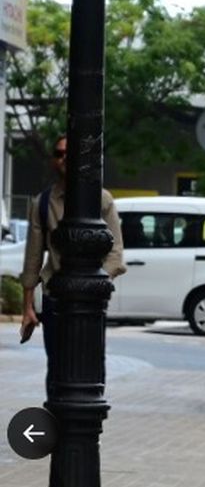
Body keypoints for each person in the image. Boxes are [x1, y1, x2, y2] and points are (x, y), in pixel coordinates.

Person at [19, 136, 127, 370]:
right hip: (55, 297)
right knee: (57, 365)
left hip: (91, 301)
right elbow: (33, 258)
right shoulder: (43, 202)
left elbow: (115, 253)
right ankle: (55, 407)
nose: (65, 157)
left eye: (70, 152)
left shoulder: (103, 199)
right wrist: (27, 307)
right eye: (58, 154)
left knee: (90, 365)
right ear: (53, 161)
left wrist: (94, 286)